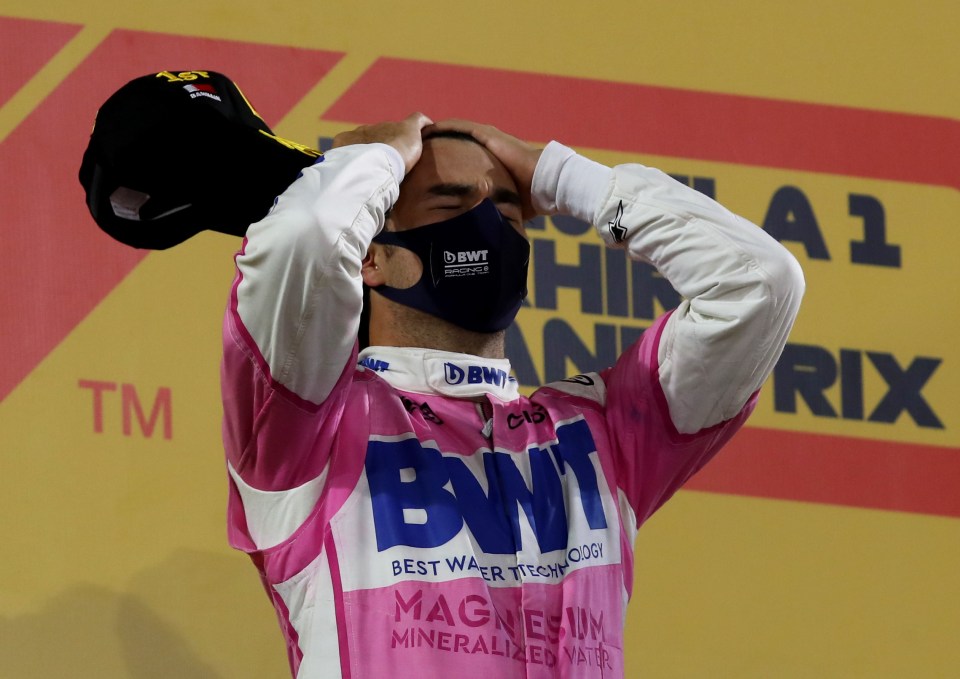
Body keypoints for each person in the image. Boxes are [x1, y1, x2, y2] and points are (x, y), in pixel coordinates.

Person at [220, 113, 804, 679]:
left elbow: (759, 283)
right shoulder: (305, 426)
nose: (487, 226)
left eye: (506, 209)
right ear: (369, 253)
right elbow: (307, 235)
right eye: (449, 205)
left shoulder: (604, 433)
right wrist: (370, 159)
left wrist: (560, 176)